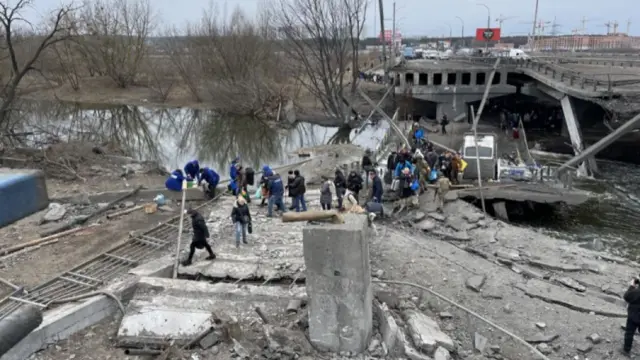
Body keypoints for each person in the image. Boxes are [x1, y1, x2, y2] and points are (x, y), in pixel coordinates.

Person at [623, 277, 640, 356]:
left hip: (633, 316)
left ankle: (626, 350)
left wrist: (632, 286)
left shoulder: (636, 292)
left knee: (629, 333)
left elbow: (626, 296)